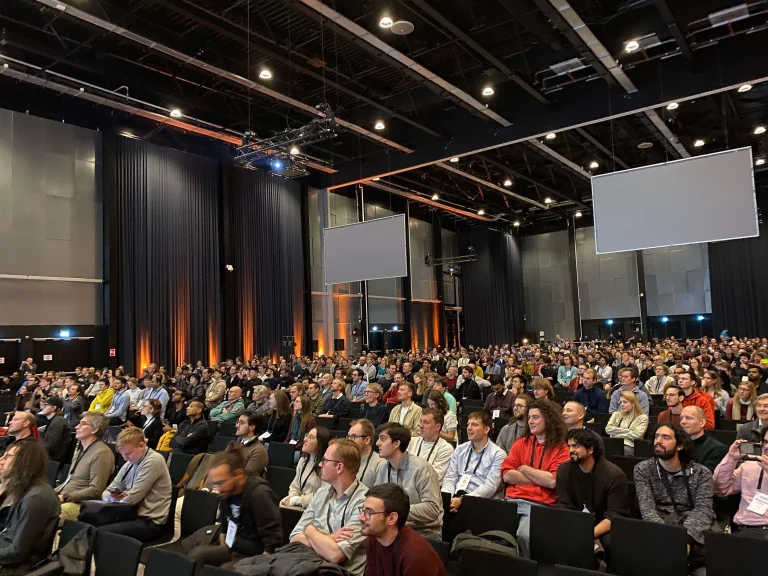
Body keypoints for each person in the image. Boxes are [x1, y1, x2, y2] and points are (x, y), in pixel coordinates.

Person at [633, 423, 714, 572]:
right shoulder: (643, 469)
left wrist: (685, 539)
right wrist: (667, 537)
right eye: (657, 437)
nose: (658, 441)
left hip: (692, 530)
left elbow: (703, 509)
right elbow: (647, 508)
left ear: (680, 446)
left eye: (666, 437)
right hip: (659, 527)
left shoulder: (701, 473)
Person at [188, 448, 282, 570]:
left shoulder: (259, 495)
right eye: (215, 484)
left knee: (224, 571)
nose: (218, 488)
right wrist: (224, 552)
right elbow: (224, 526)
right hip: (234, 548)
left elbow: (272, 541)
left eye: (221, 483)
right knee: (196, 556)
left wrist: (258, 568)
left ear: (238, 474)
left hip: (255, 556)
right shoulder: (225, 493)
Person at [287, 439, 369, 576]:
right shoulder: (321, 492)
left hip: (341, 572)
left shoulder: (364, 502)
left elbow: (335, 554)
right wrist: (330, 538)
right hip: (309, 566)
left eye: (325, 460)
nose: (320, 464)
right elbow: (294, 538)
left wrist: (310, 529)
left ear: (339, 467)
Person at [501, 398, 570, 558]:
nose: (530, 421)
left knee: (523, 536)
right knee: (489, 534)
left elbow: (552, 481)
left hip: (539, 505)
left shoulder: (561, 449)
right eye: (529, 417)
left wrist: (523, 468)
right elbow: (507, 475)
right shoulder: (521, 443)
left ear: (548, 419)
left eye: (535, 417)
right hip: (510, 502)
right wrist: (539, 477)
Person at [556, 428, 629, 555]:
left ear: (590, 450)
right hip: (577, 522)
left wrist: (588, 535)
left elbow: (614, 515)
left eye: (576, 446)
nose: (571, 450)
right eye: (569, 446)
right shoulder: (563, 470)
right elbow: (564, 506)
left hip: (606, 525)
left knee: (610, 541)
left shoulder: (614, 474)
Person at [100, 427, 172, 542]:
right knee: (89, 521)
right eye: (123, 454)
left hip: (150, 522)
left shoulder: (153, 461)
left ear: (142, 446)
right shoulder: (131, 461)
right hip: (130, 515)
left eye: (128, 453)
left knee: (101, 532)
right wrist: (112, 496)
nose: (124, 458)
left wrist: (116, 497)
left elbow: (131, 499)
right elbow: (107, 492)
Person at [0, 440, 60, 573]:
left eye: (7, 456)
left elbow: (17, 552)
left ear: (24, 461)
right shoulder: (23, 490)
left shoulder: (36, 498)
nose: (1, 460)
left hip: (16, 568)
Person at [361, 483, 447, 576]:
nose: (361, 517)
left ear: (392, 518)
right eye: (363, 510)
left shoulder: (415, 556)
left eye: (369, 512)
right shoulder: (373, 539)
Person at [375, 423, 443, 537]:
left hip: (423, 532)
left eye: (383, 439)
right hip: (394, 528)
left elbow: (433, 509)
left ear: (396, 443)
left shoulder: (421, 468)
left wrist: (396, 511)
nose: (377, 443)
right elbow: (376, 499)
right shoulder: (382, 468)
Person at [56, 411, 115, 524]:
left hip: (80, 504)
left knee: (48, 514)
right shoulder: (80, 450)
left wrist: (64, 497)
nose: (77, 427)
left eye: (83, 424)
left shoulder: (102, 453)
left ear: (94, 429)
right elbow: (69, 480)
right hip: (65, 496)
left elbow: (96, 490)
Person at [442, 412, 506, 512]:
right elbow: (450, 478)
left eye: (475, 425)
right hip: (455, 496)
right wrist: (446, 499)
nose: (469, 428)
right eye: (468, 424)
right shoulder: (460, 449)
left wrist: (463, 500)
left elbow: (490, 487)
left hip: (480, 501)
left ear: (486, 429)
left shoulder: (498, 454)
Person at [713, 427, 768, 537]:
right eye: (766, 442)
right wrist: (731, 459)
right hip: (743, 530)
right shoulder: (749, 465)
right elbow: (721, 489)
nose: (766, 447)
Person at [280, 427, 330, 509]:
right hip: (299, 503)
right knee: (282, 505)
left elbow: (324, 495)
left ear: (320, 443)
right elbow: (295, 486)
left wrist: (297, 500)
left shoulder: (326, 466)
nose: (305, 439)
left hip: (315, 507)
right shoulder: (303, 461)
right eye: (306, 435)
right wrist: (291, 497)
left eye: (311, 437)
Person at [406, 409, 455, 484]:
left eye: (425, 422)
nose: (421, 426)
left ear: (438, 426)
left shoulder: (445, 448)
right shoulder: (411, 442)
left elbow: (434, 477)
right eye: (420, 421)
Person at [679, 406, 728, 472]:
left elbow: (704, 476)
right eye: (681, 418)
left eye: (688, 418)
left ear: (702, 423)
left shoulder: (717, 449)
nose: (683, 422)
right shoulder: (678, 444)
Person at [605, 391, 649, 456]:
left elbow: (637, 435)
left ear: (633, 403)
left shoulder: (643, 418)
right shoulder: (616, 414)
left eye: (625, 402)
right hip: (613, 443)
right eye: (621, 402)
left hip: (630, 445)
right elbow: (608, 429)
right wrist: (628, 431)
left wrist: (618, 435)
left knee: (623, 450)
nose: (622, 404)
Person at [229, 411, 268, 477]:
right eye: (237, 422)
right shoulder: (233, 444)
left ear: (252, 427)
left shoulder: (259, 451)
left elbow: (246, 477)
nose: (236, 425)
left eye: (241, 423)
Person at [347, 419, 384, 488]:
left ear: (367, 440)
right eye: (348, 436)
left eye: (353, 437)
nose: (349, 440)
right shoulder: (345, 459)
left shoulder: (380, 464)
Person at [38, 396, 72, 461]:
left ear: (53, 408)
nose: (42, 407)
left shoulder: (58, 421)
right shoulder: (55, 420)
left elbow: (51, 447)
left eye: (46, 405)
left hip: (53, 460)